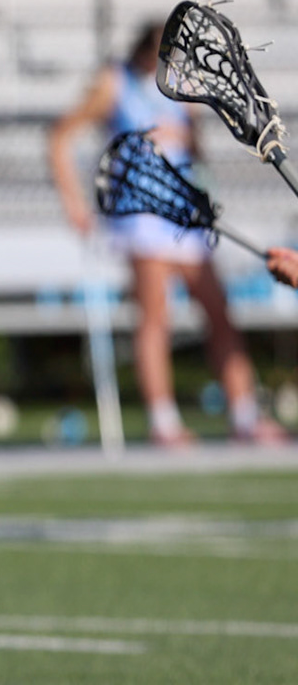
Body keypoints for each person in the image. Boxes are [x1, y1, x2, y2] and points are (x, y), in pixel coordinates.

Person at [49, 23, 282, 445]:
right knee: (156, 317)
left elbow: (195, 150)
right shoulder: (114, 82)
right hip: (141, 214)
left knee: (219, 312)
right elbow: (60, 136)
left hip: (184, 211)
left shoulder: (181, 86)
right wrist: (74, 204)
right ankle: (164, 421)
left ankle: (245, 416)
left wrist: (201, 179)